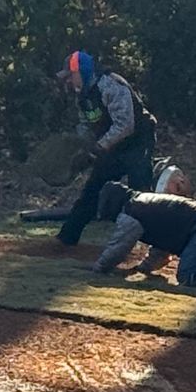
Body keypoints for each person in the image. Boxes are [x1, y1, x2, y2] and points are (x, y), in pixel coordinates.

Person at [92, 166, 196, 295]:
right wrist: (144, 268)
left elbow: (120, 246)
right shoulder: (147, 204)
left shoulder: (131, 210)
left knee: (188, 275)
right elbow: (162, 247)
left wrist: (99, 268)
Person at [56, 50, 157, 247]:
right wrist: (82, 149)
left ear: (82, 72)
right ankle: (66, 239)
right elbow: (86, 125)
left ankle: (154, 246)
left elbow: (125, 125)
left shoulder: (111, 86)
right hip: (112, 146)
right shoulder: (82, 96)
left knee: (141, 193)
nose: (68, 81)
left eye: (70, 75)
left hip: (138, 142)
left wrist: (99, 147)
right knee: (93, 189)